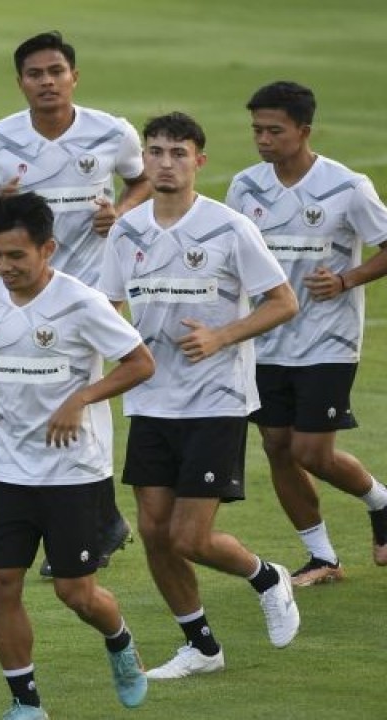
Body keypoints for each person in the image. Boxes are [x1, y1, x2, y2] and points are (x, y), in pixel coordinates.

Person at [0, 192, 154, 720]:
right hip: (2, 466)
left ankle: (119, 640)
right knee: (0, 584)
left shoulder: (82, 303)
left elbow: (141, 363)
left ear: (48, 249)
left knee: (76, 593)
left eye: (15, 256)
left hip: (72, 471)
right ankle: (26, 703)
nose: (3, 267)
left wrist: (81, 398)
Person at [99, 112, 301, 680]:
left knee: (189, 537)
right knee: (155, 533)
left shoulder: (229, 227)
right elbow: (107, 306)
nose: (165, 163)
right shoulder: (126, 231)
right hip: (150, 400)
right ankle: (201, 646)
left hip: (216, 400)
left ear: (199, 161)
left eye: (178, 153)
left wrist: (221, 336)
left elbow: (283, 301)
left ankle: (267, 576)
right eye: (155, 152)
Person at [0, 31, 151, 577]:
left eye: (55, 72)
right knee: (52, 386)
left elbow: (141, 182)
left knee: (85, 384)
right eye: (35, 74)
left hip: (93, 282)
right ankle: (97, 516)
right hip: (25, 281)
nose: (46, 82)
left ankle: (97, 518)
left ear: (74, 77)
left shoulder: (112, 131)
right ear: (20, 82)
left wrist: (120, 211)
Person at [225, 81, 387, 585]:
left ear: (304, 130)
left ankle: (380, 501)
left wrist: (346, 280)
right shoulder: (245, 187)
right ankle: (322, 557)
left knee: (311, 452)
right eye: (257, 130)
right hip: (265, 341)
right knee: (277, 446)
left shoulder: (347, 187)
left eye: (274, 130)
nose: (263, 139)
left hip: (328, 341)